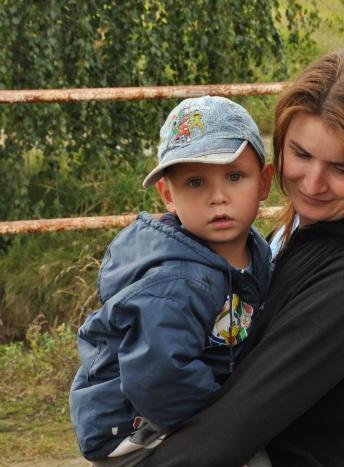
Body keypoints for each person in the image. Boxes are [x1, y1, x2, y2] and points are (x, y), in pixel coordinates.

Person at [142, 48, 344, 467]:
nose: (312, 184)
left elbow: (231, 428)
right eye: (301, 154)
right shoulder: (299, 235)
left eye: (341, 168)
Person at [69, 96, 274, 466]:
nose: (218, 197)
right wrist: (233, 418)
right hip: (133, 428)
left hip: (181, 403)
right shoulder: (175, 280)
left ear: (264, 182)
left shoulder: (258, 250)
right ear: (168, 195)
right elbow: (157, 378)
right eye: (195, 182)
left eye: (234, 177)